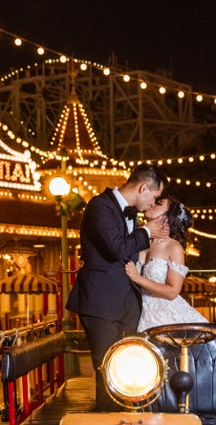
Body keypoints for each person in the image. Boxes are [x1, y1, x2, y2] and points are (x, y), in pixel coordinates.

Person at [67, 163, 169, 409]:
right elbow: (117, 249)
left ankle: (127, 422)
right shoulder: (99, 207)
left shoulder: (131, 213)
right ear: (143, 188)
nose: (152, 203)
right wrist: (146, 231)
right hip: (101, 303)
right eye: (154, 197)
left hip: (127, 304)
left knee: (130, 368)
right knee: (107, 368)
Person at [125, 196, 207, 331]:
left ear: (168, 216)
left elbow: (172, 291)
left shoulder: (174, 248)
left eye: (159, 204)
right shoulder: (138, 239)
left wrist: (138, 278)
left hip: (163, 317)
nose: (152, 205)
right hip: (135, 311)